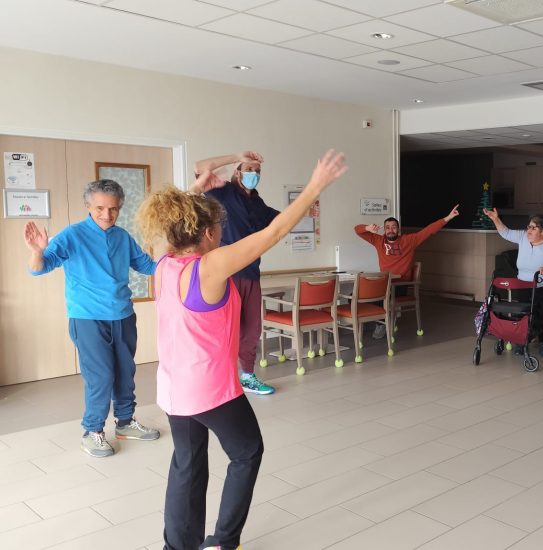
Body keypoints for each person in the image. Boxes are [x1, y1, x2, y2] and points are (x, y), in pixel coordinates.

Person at [136, 149, 347, 550]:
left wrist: (195, 189)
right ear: (207, 234)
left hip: (174, 389)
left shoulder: (163, 263)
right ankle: (223, 541)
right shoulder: (209, 267)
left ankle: (177, 547)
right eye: (217, 227)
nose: (221, 233)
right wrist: (315, 186)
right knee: (247, 452)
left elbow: (172, 221)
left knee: (187, 464)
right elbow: (273, 233)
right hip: (210, 390)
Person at [24, 179, 160, 458]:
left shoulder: (122, 237)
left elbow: (148, 266)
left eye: (113, 209)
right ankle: (93, 430)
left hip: (122, 315)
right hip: (87, 319)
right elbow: (39, 269)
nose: (107, 214)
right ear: (88, 206)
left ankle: (125, 423)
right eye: (100, 208)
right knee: (101, 376)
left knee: (125, 372)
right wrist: (37, 251)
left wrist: (183, 261)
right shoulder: (72, 235)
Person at [190, 151, 278, 395]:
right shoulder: (223, 192)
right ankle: (217, 378)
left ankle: (247, 376)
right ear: (237, 172)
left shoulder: (258, 204)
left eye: (257, 171)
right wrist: (238, 156)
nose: (254, 174)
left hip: (251, 273)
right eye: (249, 169)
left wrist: (305, 205)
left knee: (252, 328)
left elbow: (280, 222)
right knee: (223, 328)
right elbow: (199, 165)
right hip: (226, 273)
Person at [355, 204, 460, 338]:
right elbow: (357, 230)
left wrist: (448, 217)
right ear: (384, 230)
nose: (391, 230)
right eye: (387, 227)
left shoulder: (409, 240)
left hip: (400, 284)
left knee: (378, 296)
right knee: (357, 294)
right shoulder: (378, 240)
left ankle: (381, 323)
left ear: (398, 229)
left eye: (394, 227)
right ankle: (373, 323)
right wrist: (367, 228)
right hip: (384, 283)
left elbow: (429, 230)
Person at [482, 209, 543, 354]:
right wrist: (495, 219)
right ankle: (521, 341)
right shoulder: (523, 237)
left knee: (540, 314)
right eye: (529, 227)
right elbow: (505, 233)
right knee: (522, 313)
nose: (529, 230)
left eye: (534, 228)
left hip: (542, 286)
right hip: (523, 283)